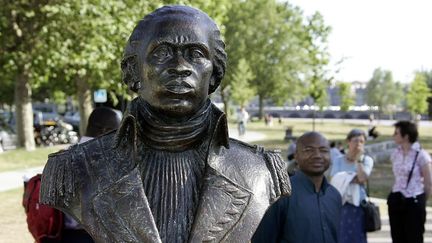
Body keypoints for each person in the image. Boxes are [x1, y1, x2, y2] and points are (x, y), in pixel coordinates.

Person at [40, 6, 290, 243]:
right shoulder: (72, 169)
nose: (180, 67)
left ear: (214, 73)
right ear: (132, 71)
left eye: (196, 54)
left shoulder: (261, 171)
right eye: (161, 52)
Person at [24, 107, 122, 243]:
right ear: (104, 131)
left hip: (61, 235)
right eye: (116, 131)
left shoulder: (61, 156)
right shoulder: (103, 160)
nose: (119, 136)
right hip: (90, 237)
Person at [252, 132, 341, 243]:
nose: (317, 155)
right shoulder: (281, 194)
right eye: (309, 150)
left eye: (323, 150)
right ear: (296, 156)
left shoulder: (334, 195)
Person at [387, 121, 432, 243]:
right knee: (397, 236)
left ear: (406, 136)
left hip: (414, 199)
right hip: (397, 199)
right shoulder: (396, 153)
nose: (393, 135)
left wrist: (421, 201)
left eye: (396, 133)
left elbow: (428, 183)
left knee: (414, 236)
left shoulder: (421, 155)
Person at [330, 129, 374, 243]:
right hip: (341, 205)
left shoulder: (367, 160)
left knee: (357, 238)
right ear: (348, 142)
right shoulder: (338, 160)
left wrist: (358, 161)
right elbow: (334, 179)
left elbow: (362, 178)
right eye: (355, 141)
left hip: (359, 206)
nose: (358, 144)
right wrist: (353, 178)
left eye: (361, 141)